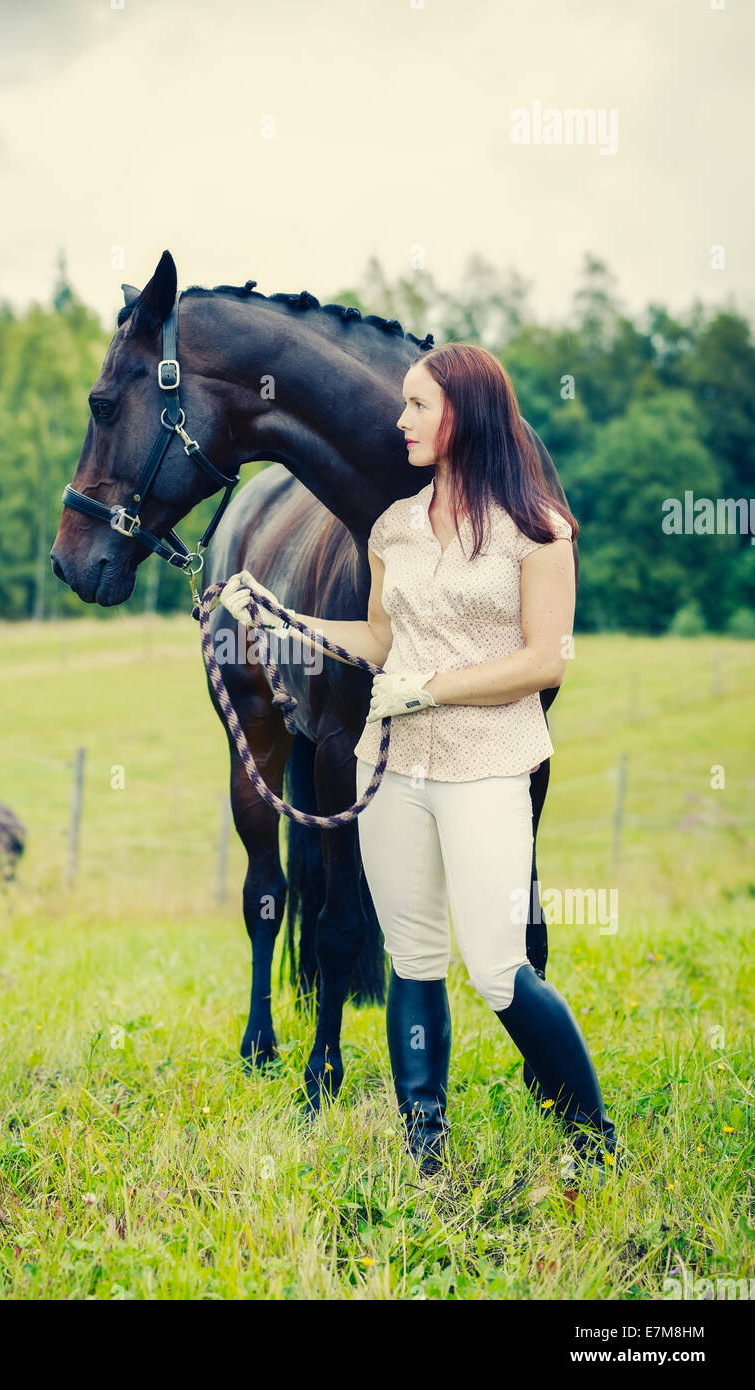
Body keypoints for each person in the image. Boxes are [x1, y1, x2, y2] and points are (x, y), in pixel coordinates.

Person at [217, 341, 620, 1187]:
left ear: (463, 416)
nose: (398, 421)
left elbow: (546, 660)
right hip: (394, 771)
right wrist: (275, 614)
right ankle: (424, 1140)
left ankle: (591, 1135)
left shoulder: (539, 529)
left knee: (498, 967)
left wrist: (427, 690)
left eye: (417, 407)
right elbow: (377, 640)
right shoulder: (392, 529)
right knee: (413, 955)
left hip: (486, 765)